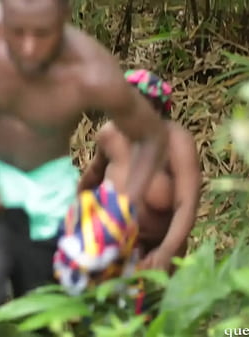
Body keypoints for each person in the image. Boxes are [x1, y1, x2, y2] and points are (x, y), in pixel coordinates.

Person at [0, 0, 169, 335]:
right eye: (17, 32)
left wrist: (123, 211)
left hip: (51, 196)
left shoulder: (91, 69)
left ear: (64, 18)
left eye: (42, 33)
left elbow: (151, 137)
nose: (29, 48)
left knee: (46, 308)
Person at [77, 69, 202, 274]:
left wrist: (167, 250)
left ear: (157, 110)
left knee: (155, 300)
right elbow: (91, 178)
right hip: (113, 242)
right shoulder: (110, 135)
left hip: (159, 246)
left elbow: (187, 203)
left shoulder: (176, 143)